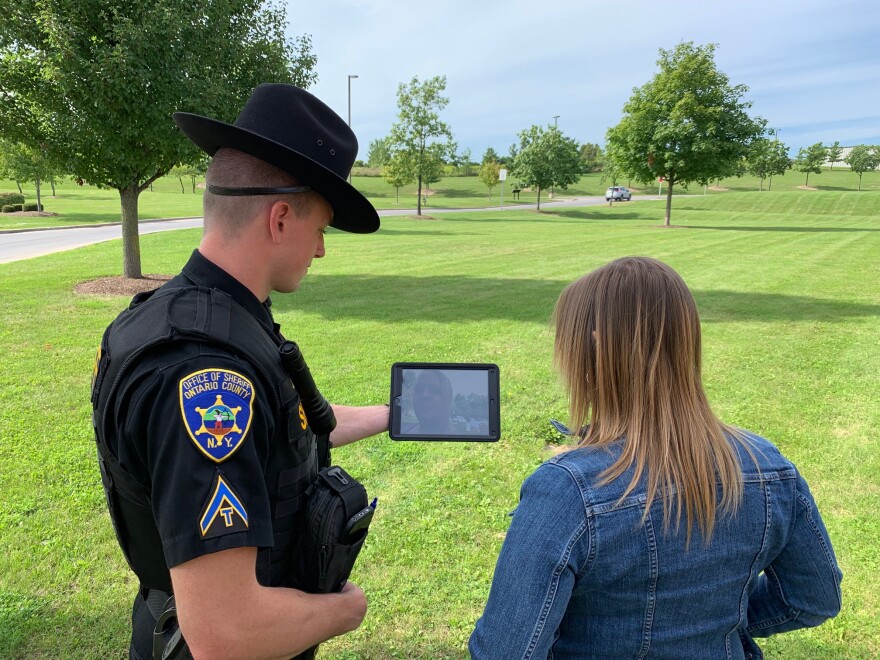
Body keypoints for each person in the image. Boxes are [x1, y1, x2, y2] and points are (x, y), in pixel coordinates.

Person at [91, 84, 390, 660]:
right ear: (280, 218)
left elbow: (288, 425)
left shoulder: (198, 315)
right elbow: (227, 632)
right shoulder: (203, 371)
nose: (322, 251)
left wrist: (392, 414)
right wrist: (345, 611)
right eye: (322, 228)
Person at [469, 257, 842, 659]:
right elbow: (814, 599)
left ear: (592, 348)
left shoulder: (568, 492)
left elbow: (505, 650)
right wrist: (716, 626)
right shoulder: (767, 467)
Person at [403, 369, 454, 435]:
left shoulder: (461, 436)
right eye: (419, 389)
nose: (424, 395)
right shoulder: (405, 431)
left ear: (447, 399)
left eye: (434, 390)